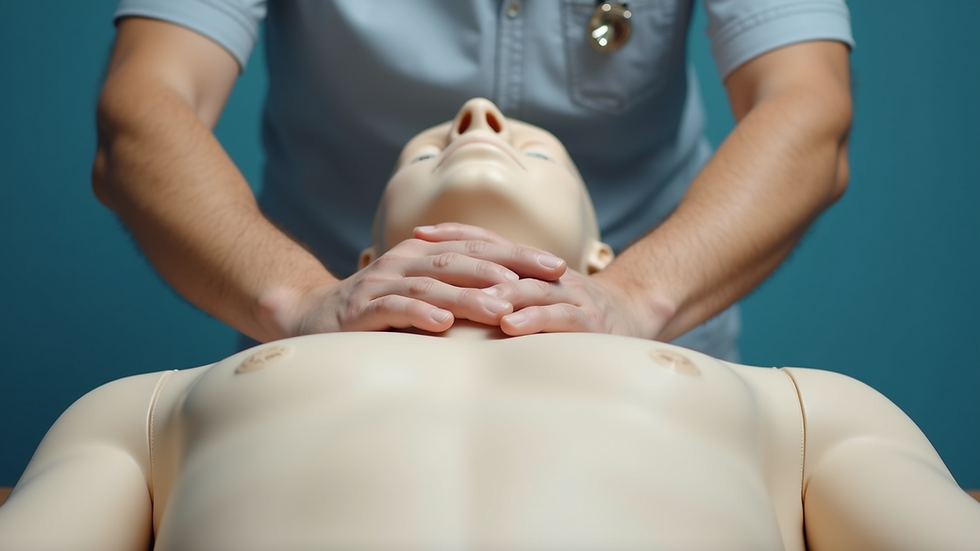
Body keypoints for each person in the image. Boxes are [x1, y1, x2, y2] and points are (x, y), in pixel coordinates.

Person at [3, 105, 978, 550]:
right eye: (425, 145)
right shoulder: (148, 410)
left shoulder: (800, 409)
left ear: (603, 253)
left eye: (538, 146)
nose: (476, 113)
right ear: (361, 255)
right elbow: (140, 112)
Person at [92, 1, 855, 360]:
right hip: (327, 343)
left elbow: (806, 105)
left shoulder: (747, 422)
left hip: (654, 341)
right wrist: (294, 300)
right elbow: (146, 107)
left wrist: (635, 298)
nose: (477, 118)